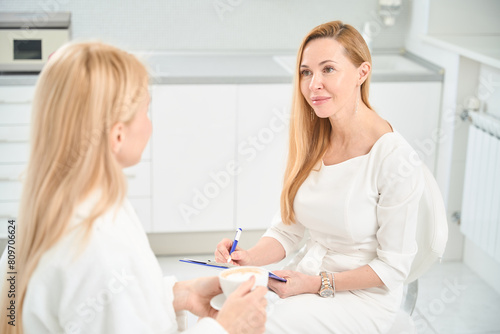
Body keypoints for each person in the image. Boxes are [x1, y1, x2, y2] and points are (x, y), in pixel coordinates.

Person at [0, 41, 267, 334]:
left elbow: (117, 308)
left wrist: (179, 294)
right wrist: (227, 327)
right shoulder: (97, 246)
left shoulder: (50, 209)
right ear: (117, 136)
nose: (149, 126)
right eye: (145, 111)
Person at [215, 21, 425, 333]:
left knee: (265, 326)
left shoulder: (394, 158)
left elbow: (393, 268)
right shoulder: (314, 142)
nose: (314, 83)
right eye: (306, 72)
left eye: (328, 69)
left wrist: (315, 284)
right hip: (308, 276)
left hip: (363, 297)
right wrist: (249, 258)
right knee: (227, 310)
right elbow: (287, 230)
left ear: (362, 73)